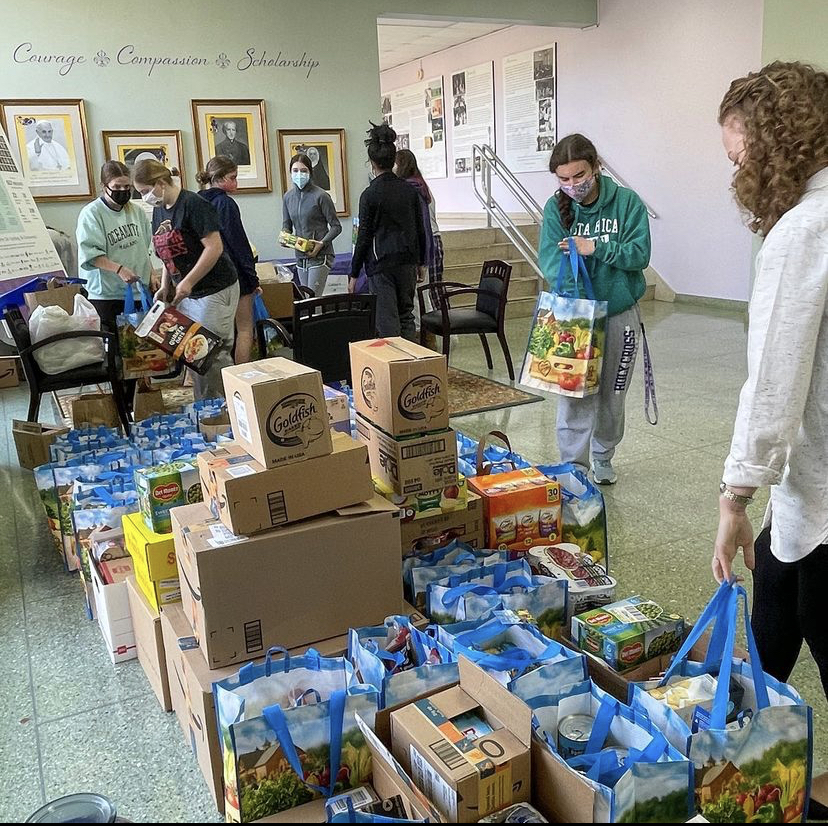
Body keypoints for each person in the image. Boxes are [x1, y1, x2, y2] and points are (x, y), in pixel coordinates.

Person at [711, 62, 828, 700]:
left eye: (739, 160)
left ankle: (754, 759)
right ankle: (747, 733)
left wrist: (734, 497)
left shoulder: (803, 231)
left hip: (820, 490)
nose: (739, 178)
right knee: (776, 601)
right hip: (805, 492)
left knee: (807, 605)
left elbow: (775, 388)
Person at [538, 133, 651, 485]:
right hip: (575, 317)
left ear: (596, 167)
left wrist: (596, 247)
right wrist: (577, 307)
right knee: (574, 394)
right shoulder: (555, 208)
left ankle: (603, 455)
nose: (573, 185)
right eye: (564, 179)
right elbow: (551, 261)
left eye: (579, 176)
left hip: (619, 313)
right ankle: (573, 464)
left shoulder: (627, 203)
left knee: (613, 393)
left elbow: (640, 255)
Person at [132, 158, 239, 400]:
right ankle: (207, 409)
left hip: (214, 287)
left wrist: (188, 281)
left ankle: (227, 412)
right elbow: (166, 250)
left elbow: (214, 248)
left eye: (145, 191)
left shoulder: (193, 204)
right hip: (187, 290)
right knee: (193, 354)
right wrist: (166, 286)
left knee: (211, 353)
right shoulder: (159, 209)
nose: (144, 197)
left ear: (160, 183)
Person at [76, 160, 157, 401]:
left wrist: (151, 273)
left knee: (139, 350)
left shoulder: (137, 211)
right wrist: (118, 268)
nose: (123, 191)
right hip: (108, 293)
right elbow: (91, 254)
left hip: (138, 291)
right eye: (117, 187)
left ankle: (138, 400)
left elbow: (144, 248)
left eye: (127, 186)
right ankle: (122, 402)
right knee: (118, 355)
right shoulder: (92, 214)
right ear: (104, 187)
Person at [349, 123, 425, 340]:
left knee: (388, 323)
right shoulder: (410, 191)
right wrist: (421, 262)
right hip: (407, 262)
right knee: (407, 316)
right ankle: (413, 367)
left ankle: (396, 369)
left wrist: (354, 273)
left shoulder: (369, 195)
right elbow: (419, 228)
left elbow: (364, 237)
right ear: (393, 161)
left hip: (381, 263)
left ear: (372, 163)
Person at [196, 155, 259, 363]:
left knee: (204, 334)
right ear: (220, 178)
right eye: (233, 177)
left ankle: (192, 380)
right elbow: (238, 245)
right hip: (234, 275)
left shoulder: (196, 201)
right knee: (244, 330)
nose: (236, 183)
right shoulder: (225, 203)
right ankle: (242, 375)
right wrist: (253, 279)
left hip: (207, 278)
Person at [282, 152, 341, 296]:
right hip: (300, 256)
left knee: (314, 299)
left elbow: (336, 226)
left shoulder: (321, 196)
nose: (299, 174)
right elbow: (286, 225)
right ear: (290, 172)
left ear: (310, 172)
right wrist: (285, 237)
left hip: (320, 255)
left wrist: (322, 243)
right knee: (306, 299)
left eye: (303, 171)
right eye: (295, 171)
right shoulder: (288, 197)